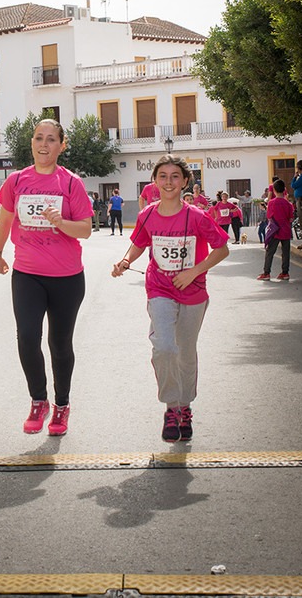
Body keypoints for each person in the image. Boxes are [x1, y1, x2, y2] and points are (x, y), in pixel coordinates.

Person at [111, 153, 229, 442]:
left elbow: (222, 248)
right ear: (154, 181)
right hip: (159, 289)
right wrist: (125, 261)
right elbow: (138, 245)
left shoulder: (197, 217)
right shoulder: (147, 215)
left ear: (185, 181)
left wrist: (193, 272)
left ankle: (185, 407)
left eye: (175, 176)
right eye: (162, 176)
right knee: (164, 348)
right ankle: (171, 406)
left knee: (185, 354)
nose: (168, 181)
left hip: (193, 293)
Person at [0, 119, 93, 436]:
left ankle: (62, 405)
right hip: (27, 274)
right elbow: (5, 220)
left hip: (67, 277)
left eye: (51, 139)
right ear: (32, 143)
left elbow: (86, 230)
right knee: (27, 338)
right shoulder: (17, 180)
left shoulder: (71, 183)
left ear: (61, 146)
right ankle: (39, 401)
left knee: (60, 345)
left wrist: (61, 222)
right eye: (38, 138)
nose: (43, 144)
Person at [257, 179, 293, 281]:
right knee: (285, 253)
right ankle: (285, 273)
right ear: (284, 190)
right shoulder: (288, 204)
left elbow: (269, 217)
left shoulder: (272, 203)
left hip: (275, 231)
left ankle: (266, 273)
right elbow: (291, 218)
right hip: (286, 230)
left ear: (274, 191)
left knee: (270, 252)